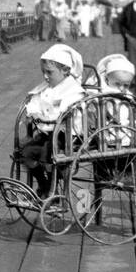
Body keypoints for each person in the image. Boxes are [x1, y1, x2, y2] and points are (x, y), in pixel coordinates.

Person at [18, 43, 86, 195]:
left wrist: (45, 116)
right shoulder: (46, 88)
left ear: (66, 71)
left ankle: (53, 187)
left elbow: (67, 111)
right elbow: (34, 101)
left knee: (47, 154)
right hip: (48, 133)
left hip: (66, 135)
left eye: (49, 72)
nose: (45, 76)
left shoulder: (73, 91)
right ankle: (45, 183)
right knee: (26, 153)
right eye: (43, 72)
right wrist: (32, 112)